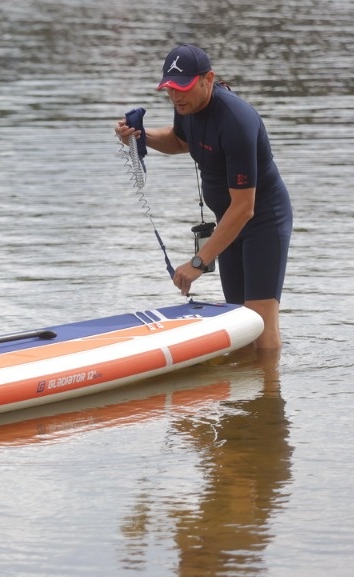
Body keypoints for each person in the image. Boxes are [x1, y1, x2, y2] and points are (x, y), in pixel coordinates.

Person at [115, 44, 293, 351]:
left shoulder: (237, 121)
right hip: (230, 224)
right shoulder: (186, 106)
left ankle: (269, 393)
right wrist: (141, 136)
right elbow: (182, 140)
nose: (176, 96)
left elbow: (244, 207)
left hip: (262, 221)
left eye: (182, 88)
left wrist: (199, 261)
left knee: (260, 325)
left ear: (207, 79)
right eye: (170, 89)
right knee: (239, 319)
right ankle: (243, 397)